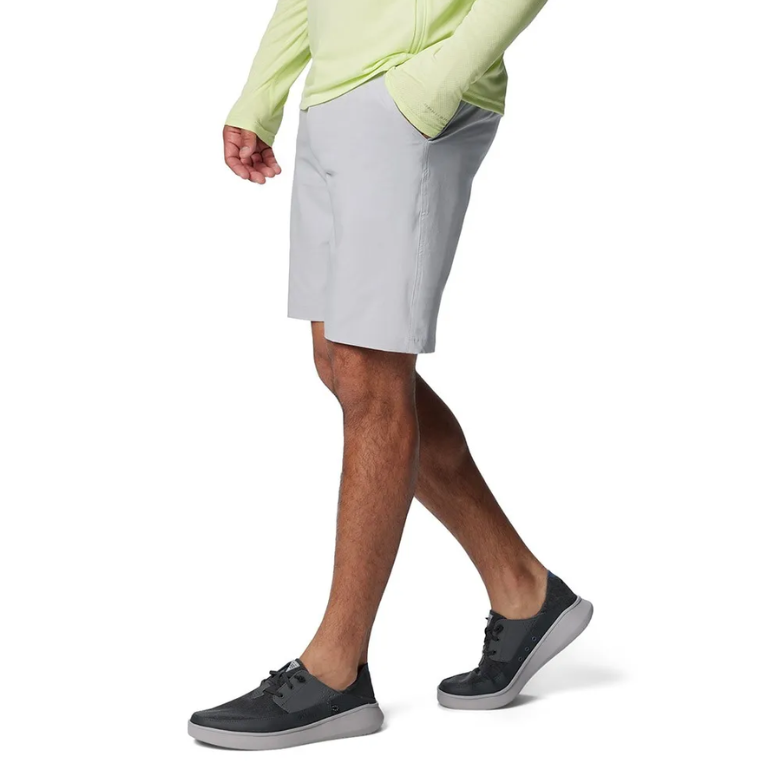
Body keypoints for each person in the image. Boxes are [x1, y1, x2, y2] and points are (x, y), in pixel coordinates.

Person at [188, 0, 593, 751]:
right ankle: (523, 589)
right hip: (333, 98)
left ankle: (335, 671)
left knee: (371, 380)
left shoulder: (421, 89)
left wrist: (437, 81)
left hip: (409, 96)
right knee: (343, 367)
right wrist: (261, 94)